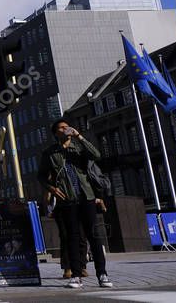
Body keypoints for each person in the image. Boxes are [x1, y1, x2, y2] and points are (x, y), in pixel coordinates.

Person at [38, 119, 113, 290]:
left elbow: (96, 155)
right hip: (67, 200)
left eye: (67, 127)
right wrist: (52, 188)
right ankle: (76, 275)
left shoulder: (79, 148)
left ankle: (102, 274)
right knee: (72, 237)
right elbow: (41, 176)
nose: (66, 130)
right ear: (56, 133)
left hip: (86, 197)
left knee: (94, 236)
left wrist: (79, 136)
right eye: (61, 128)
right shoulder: (49, 153)